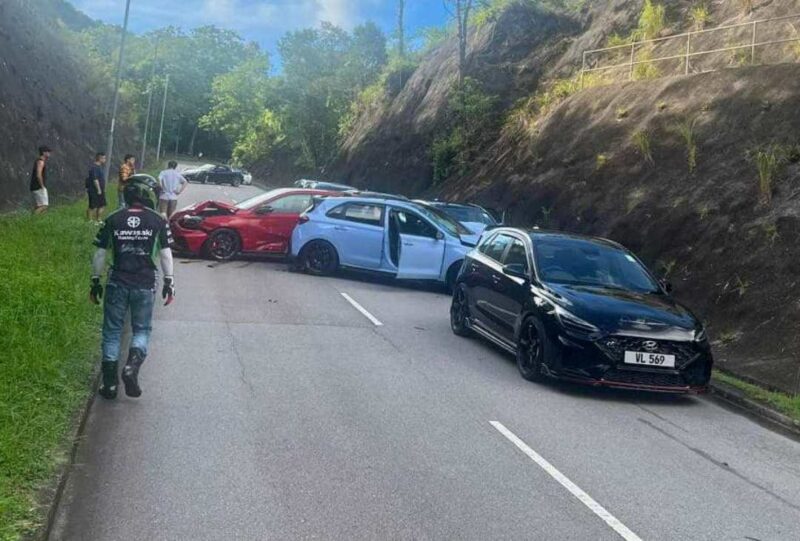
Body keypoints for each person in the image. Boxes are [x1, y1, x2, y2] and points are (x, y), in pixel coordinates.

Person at [90, 174, 176, 400]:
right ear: (148, 195)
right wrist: (170, 282)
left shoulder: (112, 218)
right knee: (141, 330)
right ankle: (131, 368)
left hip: (117, 282)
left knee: (112, 332)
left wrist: (95, 281)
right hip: (145, 284)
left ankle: (109, 385)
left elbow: (100, 254)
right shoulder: (158, 221)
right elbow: (166, 255)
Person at [86, 152, 107, 223]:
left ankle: (98, 219)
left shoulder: (100, 167)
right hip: (94, 190)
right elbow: (95, 179)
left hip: (101, 190)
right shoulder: (94, 167)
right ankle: (90, 220)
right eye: (104, 158)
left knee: (102, 205)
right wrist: (98, 189)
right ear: (99, 158)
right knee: (92, 205)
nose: (105, 160)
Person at [30, 145, 51, 214]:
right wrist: (42, 186)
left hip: (36, 186)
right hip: (38, 186)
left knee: (40, 206)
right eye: (48, 152)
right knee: (44, 205)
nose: (49, 153)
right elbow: (38, 175)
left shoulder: (40, 161)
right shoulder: (40, 161)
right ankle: (32, 219)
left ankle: (39, 220)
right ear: (43, 152)